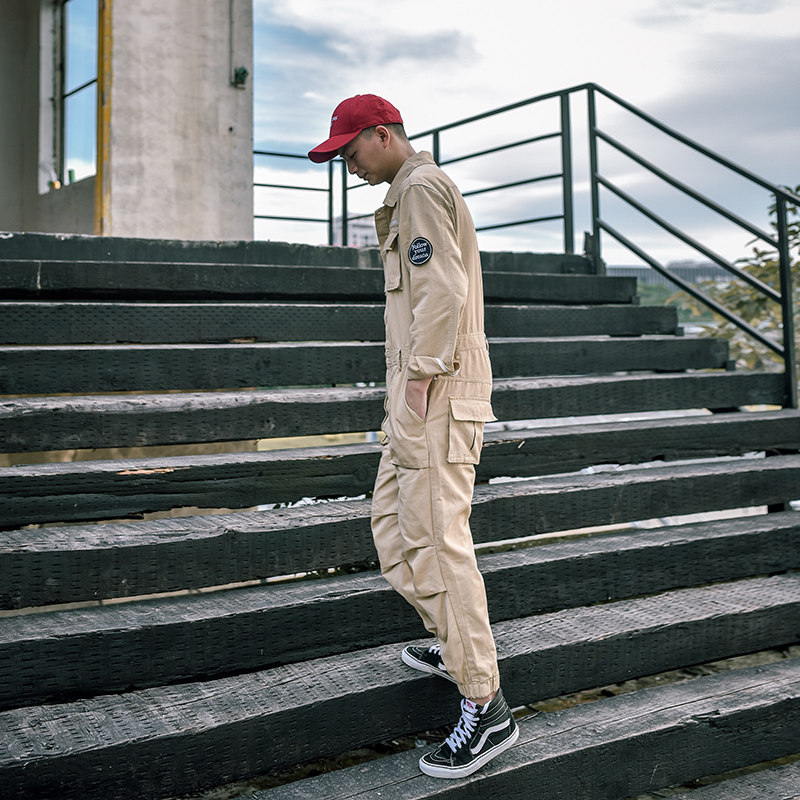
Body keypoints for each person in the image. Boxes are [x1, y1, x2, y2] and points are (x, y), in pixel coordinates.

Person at [308, 94, 518, 779]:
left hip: (434, 393)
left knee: (435, 540)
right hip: (416, 396)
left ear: (383, 134)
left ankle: (484, 703)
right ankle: (456, 646)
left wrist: (422, 379)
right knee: (395, 533)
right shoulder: (405, 196)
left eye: (350, 152)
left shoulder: (421, 188)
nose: (348, 166)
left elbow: (443, 291)